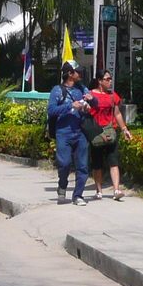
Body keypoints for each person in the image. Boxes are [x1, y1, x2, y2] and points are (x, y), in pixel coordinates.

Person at [48, 62, 91, 205]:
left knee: (82, 166)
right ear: (70, 74)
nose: (80, 73)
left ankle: (78, 195)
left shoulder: (82, 88)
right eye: (77, 71)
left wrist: (89, 104)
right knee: (64, 164)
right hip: (63, 132)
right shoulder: (57, 90)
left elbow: (93, 101)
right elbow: (51, 110)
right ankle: (62, 184)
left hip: (80, 132)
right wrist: (70, 106)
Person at [86, 70, 134, 200]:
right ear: (100, 81)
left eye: (110, 78)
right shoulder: (90, 95)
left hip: (111, 132)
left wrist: (124, 129)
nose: (110, 81)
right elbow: (86, 113)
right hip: (96, 133)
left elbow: (117, 114)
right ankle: (99, 191)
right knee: (97, 164)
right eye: (107, 79)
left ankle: (116, 190)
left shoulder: (112, 96)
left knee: (114, 161)